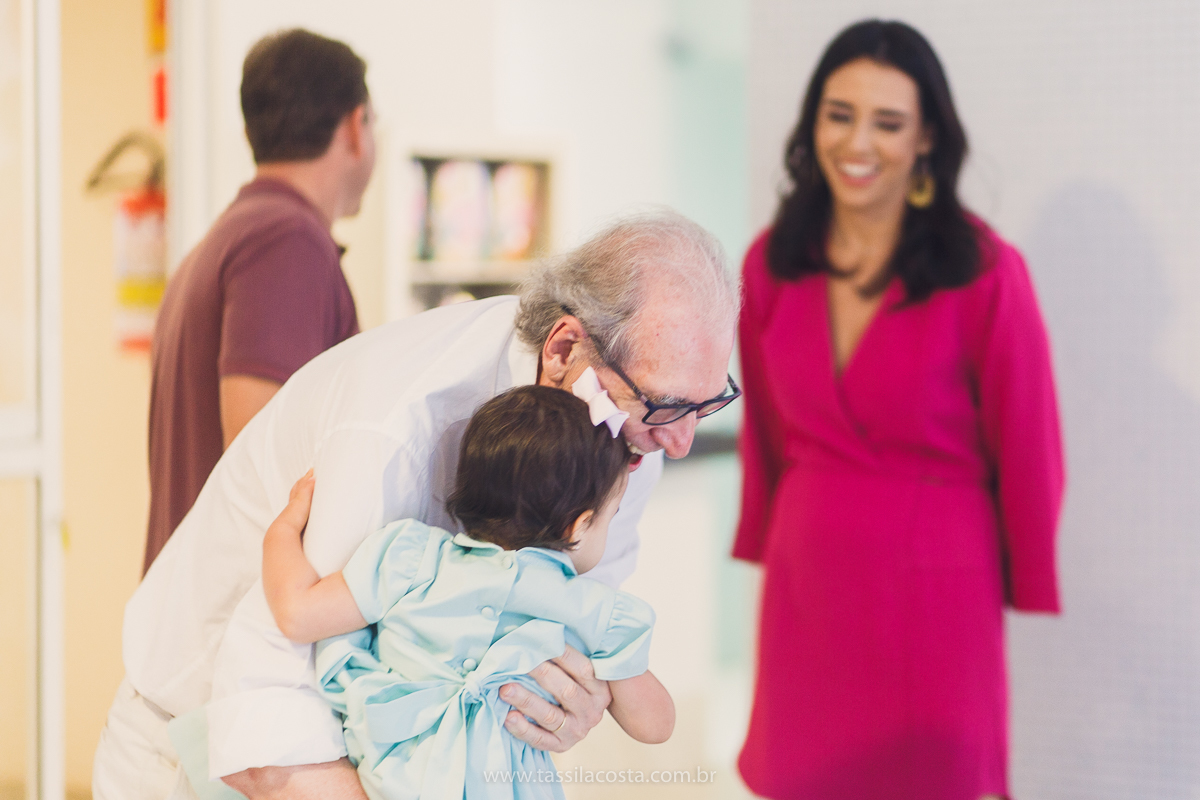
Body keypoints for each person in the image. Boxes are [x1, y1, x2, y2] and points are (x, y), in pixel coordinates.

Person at [94, 210, 740, 800]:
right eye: (666, 406)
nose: (680, 442)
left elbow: (577, 638)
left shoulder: (624, 435)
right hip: (201, 747)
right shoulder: (398, 426)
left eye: (707, 405)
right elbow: (269, 705)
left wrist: (572, 704)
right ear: (565, 349)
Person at [734, 20, 1063, 800]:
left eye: (888, 122)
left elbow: (1029, 443)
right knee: (801, 776)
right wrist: (760, 533)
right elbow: (765, 431)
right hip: (807, 579)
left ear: (927, 139)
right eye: (839, 114)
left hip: (937, 590)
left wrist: (1029, 570)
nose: (859, 143)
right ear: (812, 123)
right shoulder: (772, 263)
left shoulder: (985, 272)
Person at [255, 384, 673, 800]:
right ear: (579, 526)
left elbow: (297, 614)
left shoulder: (412, 560)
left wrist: (283, 530)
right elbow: (655, 726)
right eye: (611, 516)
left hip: (391, 783)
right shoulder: (597, 612)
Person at [144, 28, 374, 573]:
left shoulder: (230, 238)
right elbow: (260, 465)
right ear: (355, 127)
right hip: (240, 611)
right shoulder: (284, 242)